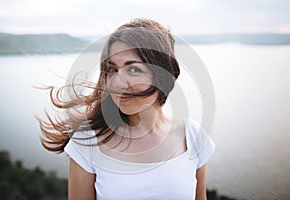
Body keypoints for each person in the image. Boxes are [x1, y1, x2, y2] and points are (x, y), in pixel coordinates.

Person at [37, 18, 215, 200]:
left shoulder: (192, 136)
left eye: (134, 70)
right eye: (112, 70)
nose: (118, 83)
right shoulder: (87, 142)